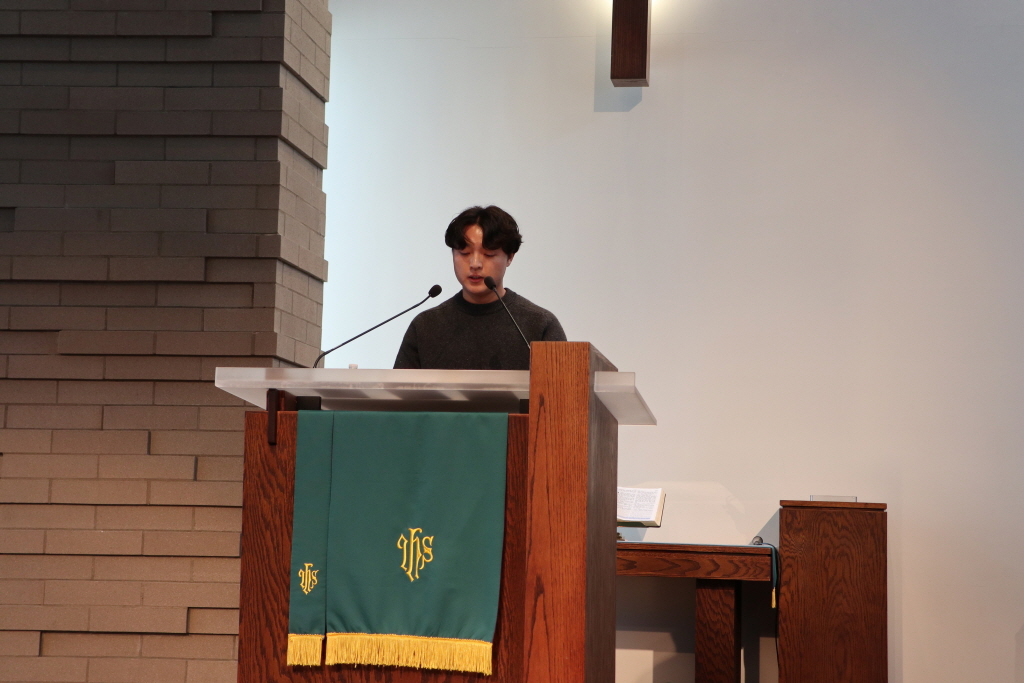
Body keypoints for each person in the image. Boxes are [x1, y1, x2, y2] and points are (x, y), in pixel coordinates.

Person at [394, 205, 566, 370]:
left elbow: (561, 388)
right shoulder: (425, 327)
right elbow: (399, 390)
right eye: (464, 253)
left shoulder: (539, 325)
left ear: (510, 257)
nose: (475, 264)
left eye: (488, 254)